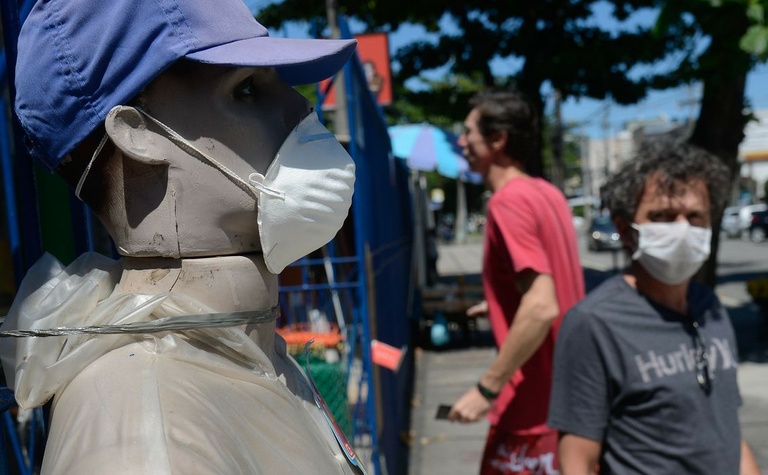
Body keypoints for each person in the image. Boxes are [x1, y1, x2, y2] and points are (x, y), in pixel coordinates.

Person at [0, 0, 362, 473]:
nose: (300, 105)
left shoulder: (241, 347)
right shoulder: (147, 437)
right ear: (138, 134)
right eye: (247, 89)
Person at [548, 140, 761, 475]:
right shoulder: (594, 324)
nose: (681, 230)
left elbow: (727, 427)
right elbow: (577, 461)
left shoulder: (709, 306)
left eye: (695, 217)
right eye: (662, 216)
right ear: (625, 229)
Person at [448, 90, 585, 475]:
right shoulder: (549, 194)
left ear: (498, 140)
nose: (461, 142)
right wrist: (497, 304)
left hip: (531, 407)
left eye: (468, 132)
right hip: (571, 399)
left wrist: (486, 389)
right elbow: (550, 281)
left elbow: (542, 305)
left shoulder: (508, 202)